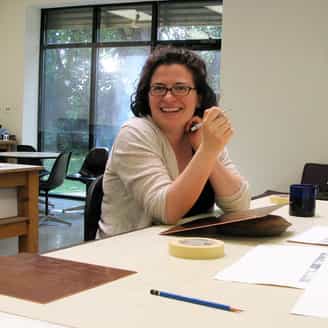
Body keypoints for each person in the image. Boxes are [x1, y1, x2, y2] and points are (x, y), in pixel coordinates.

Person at [98, 46, 250, 237]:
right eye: (159, 88)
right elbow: (166, 211)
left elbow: (240, 205)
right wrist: (208, 151)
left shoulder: (202, 134)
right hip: (126, 256)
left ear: (199, 97)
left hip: (187, 249)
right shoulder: (134, 133)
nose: (168, 97)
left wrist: (203, 147)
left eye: (180, 88)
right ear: (147, 95)